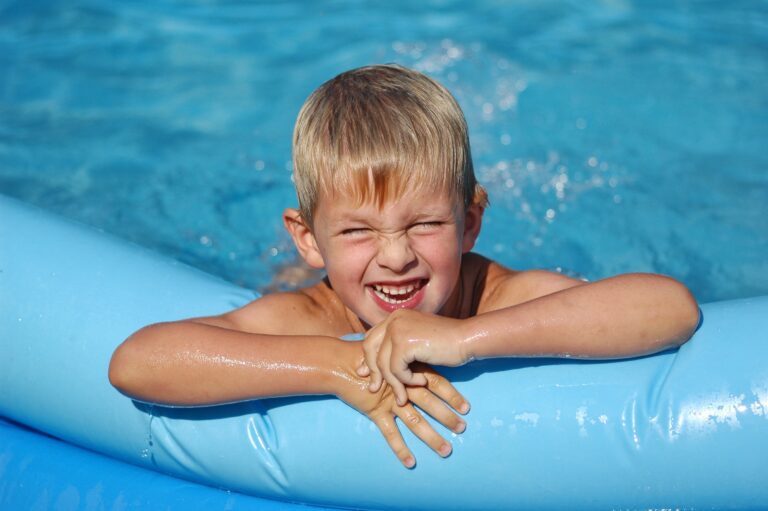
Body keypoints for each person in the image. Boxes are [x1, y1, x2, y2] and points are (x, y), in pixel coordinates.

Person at [109, 64, 700, 469]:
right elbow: (137, 362)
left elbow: (669, 307)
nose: (396, 256)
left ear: (470, 223)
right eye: (358, 230)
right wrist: (338, 365)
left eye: (425, 225)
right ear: (308, 238)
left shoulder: (497, 297)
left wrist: (467, 337)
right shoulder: (311, 317)